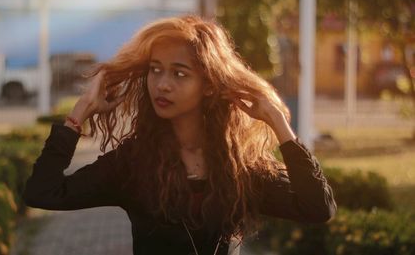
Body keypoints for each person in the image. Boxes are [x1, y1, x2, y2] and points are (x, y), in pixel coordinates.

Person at [22, 15, 337, 255]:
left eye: (179, 73)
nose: (162, 84)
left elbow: (318, 208)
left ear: (210, 84)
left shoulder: (240, 167)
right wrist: (79, 114)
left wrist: (279, 124)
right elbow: (43, 192)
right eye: (155, 69)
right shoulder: (134, 164)